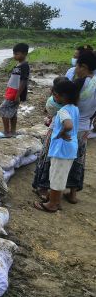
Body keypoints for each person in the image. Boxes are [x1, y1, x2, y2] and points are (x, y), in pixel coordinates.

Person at [33, 51, 96, 203]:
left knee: (50, 155)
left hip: (65, 127)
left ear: (83, 66)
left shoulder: (77, 85)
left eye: (77, 65)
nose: (75, 68)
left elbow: (58, 103)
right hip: (84, 127)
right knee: (77, 160)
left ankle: (43, 189)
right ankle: (72, 193)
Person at [33, 79, 80, 212]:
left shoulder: (63, 111)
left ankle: (52, 204)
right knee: (61, 176)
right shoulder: (75, 108)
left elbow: (69, 125)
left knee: (56, 177)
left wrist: (61, 133)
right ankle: (56, 201)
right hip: (70, 148)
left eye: (55, 95)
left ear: (62, 96)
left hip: (61, 149)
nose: (54, 97)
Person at [0, 43, 30, 138]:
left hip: (15, 93)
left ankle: (6, 132)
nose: (14, 56)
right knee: (13, 112)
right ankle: (12, 131)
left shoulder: (24, 66)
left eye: (17, 54)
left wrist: (17, 95)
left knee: (3, 109)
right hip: (12, 92)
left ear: (25, 53)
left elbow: (23, 81)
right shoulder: (19, 65)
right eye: (14, 54)